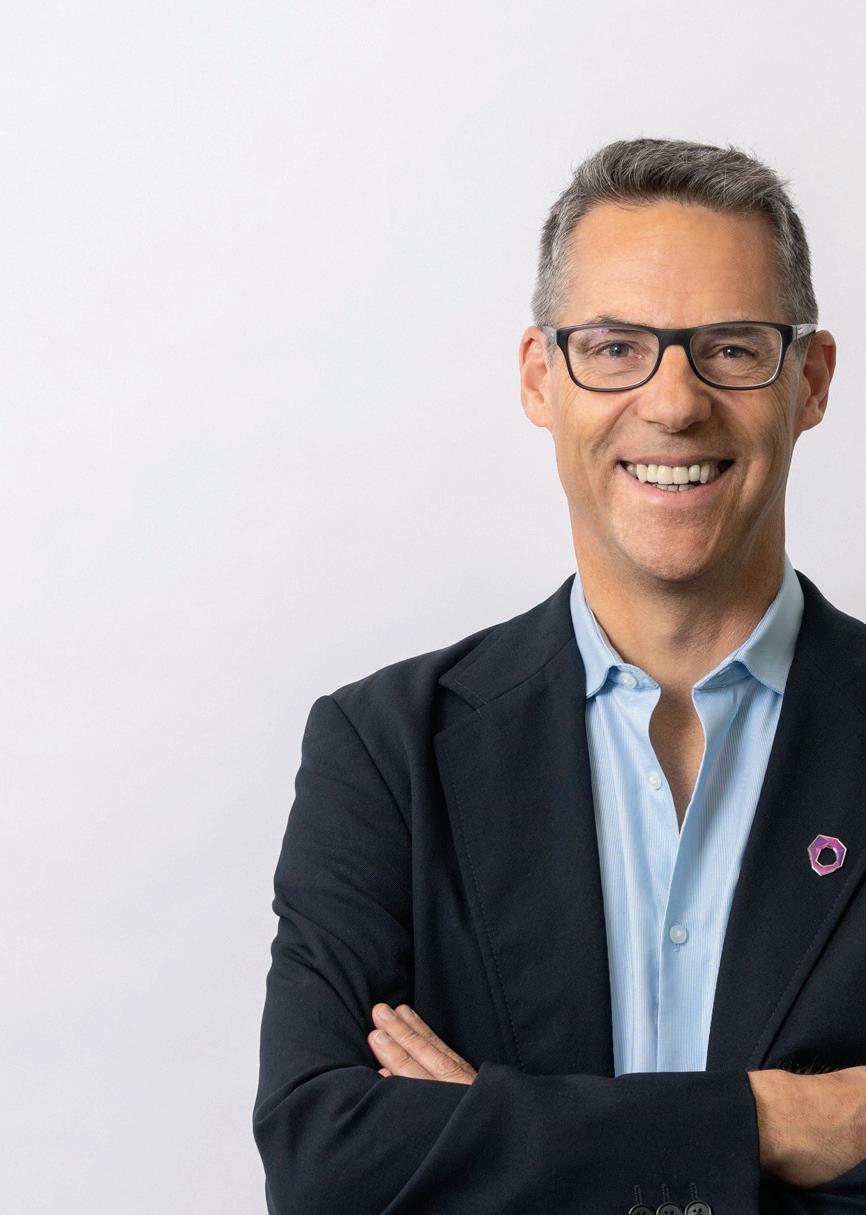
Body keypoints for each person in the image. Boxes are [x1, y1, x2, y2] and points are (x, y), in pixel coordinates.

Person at [253, 137, 866, 1214]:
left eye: (730, 348)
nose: (673, 404)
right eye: (614, 347)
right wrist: (768, 1123)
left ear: (808, 382)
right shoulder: (383, 750)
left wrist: (494, 1130)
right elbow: (326, 1167)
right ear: (541, 377)